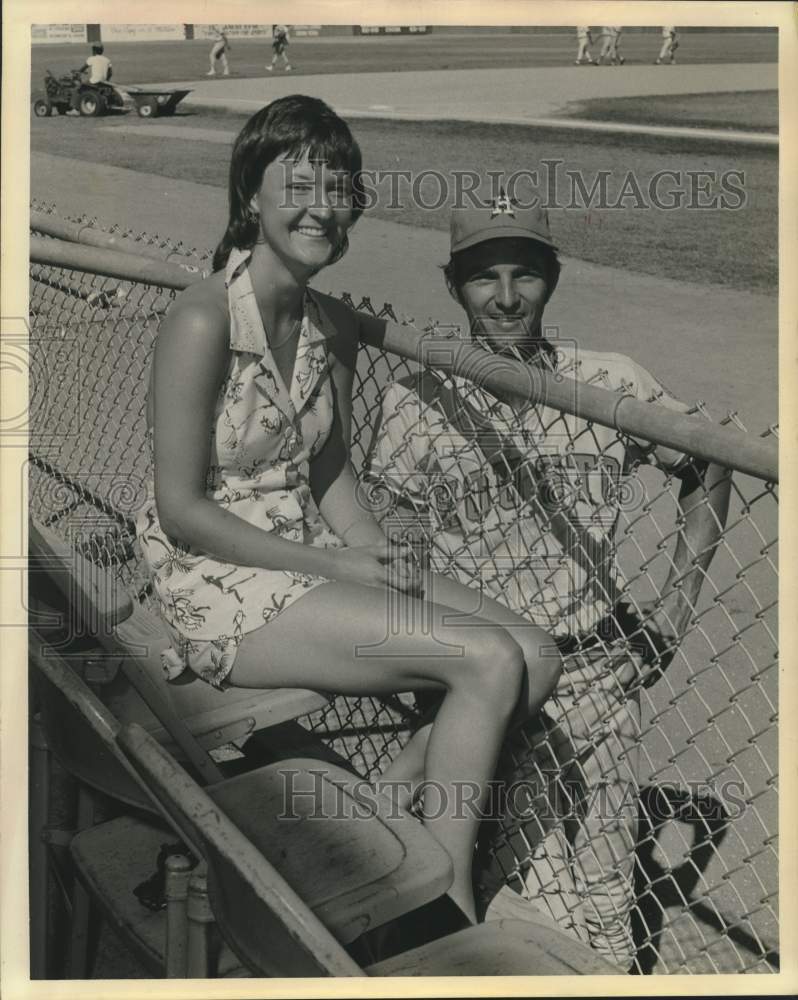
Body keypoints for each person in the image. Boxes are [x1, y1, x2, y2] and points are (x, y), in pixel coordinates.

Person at [135, 97, 561, 925]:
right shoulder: (201, 320)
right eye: (297, 185)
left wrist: (384, 558)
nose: (321, 207)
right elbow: (181, 510)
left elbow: (331, 480)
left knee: (534, 655)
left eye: (337, 188)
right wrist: (341, 563)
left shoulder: (331, 326)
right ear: (249, 197)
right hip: (218, 576)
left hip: (305, 553)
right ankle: (444, 902)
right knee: (484, 662)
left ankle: (374, 833)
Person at [366, 184, 731, 967]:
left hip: (596, 673)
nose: (505, 298)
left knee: (602, 892)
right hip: (477, 682)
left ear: (553, 278)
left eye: (524, 274)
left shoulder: (610, 382)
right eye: (482, 277)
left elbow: (708, 465)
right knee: (491, 891)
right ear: (451, 284)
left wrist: (672, 606)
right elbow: (385, 527)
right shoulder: (415, 394)